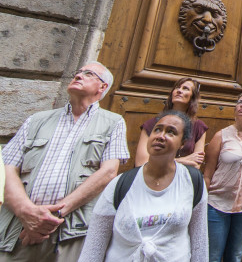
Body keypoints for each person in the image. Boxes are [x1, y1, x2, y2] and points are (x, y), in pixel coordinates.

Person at [0, 62, 128, 261]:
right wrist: (27, 213)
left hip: (71, 232)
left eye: (88, 74)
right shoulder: (36, 120)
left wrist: (50, 218)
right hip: (19, 228)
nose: (78, 76)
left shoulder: (113, 122)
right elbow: (6, 170)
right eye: (77, 73)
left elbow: (108, 173)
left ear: (102, 87)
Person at [77, 110, 208, 262]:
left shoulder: (192, 181)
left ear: (183, 144)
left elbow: (200, 242)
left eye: (171, 132)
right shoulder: (119, 185)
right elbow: (94, 247)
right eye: (157, 129)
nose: (160, 136)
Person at [204, 93, 242, 262]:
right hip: (217, 204)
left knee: (235, 256)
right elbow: (208, 173)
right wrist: (203, 201)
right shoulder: (221, 136)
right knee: (213, 256)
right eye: (239, 102)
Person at [135, 77, 207, 169]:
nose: (179, 91)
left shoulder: (199, 126)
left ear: (192, 97)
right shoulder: (151, 124)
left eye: (185, 89)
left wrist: (158, 160)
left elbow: (196, 165)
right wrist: (183, 160)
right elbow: (141, 163)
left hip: (182, 179)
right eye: (177, 88)